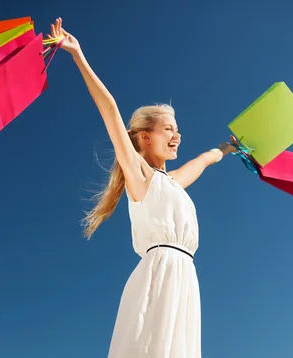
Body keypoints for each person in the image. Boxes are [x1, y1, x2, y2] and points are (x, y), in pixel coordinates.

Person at [47, 17, 236, 358]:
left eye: (177, 129)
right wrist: (77, 55)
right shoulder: (140, 177)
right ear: (146, 137)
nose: (177, 135)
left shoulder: (173, 183)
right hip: (158, 277)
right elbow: (109, 109)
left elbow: (205, 160)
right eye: (168, 129)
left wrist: (227, 149)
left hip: (185, 279)